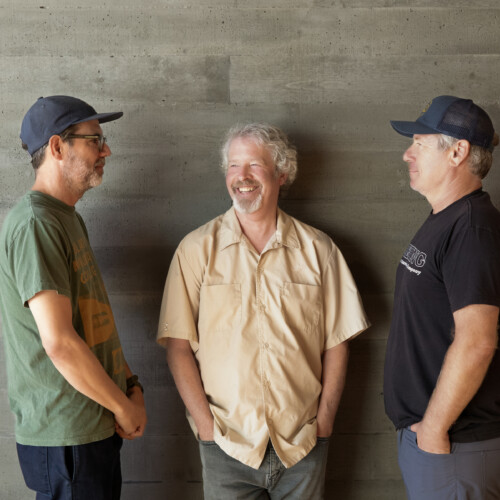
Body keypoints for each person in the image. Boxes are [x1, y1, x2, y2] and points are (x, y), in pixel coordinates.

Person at [157, 123, 369, 499]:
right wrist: (206, 427)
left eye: (254, 165)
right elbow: (177, 346)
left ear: (281, 173)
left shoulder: (319, 250)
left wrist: (324, 424)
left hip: (303, 444)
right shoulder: (195, 250)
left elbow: (337, 343)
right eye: (233, 166)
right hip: (226, 445)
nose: (242, 176)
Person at [0, 95, 147, 500]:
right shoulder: (36, 223)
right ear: (57, 147)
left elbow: (92, 319)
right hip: (66, 436)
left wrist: (131, 386)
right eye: (94, 140)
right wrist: (123, 406)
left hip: (91, 426)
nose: (106, 151)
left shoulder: (66, 217)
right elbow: (60, 343)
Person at [384, 95, 500, 499]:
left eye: (419, 143)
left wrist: (433, 429)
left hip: (454, 445)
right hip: (437, 443)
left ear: (457, 152)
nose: (407, 154)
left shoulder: (472, 229)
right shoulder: (447, 218)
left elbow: (477, 341)